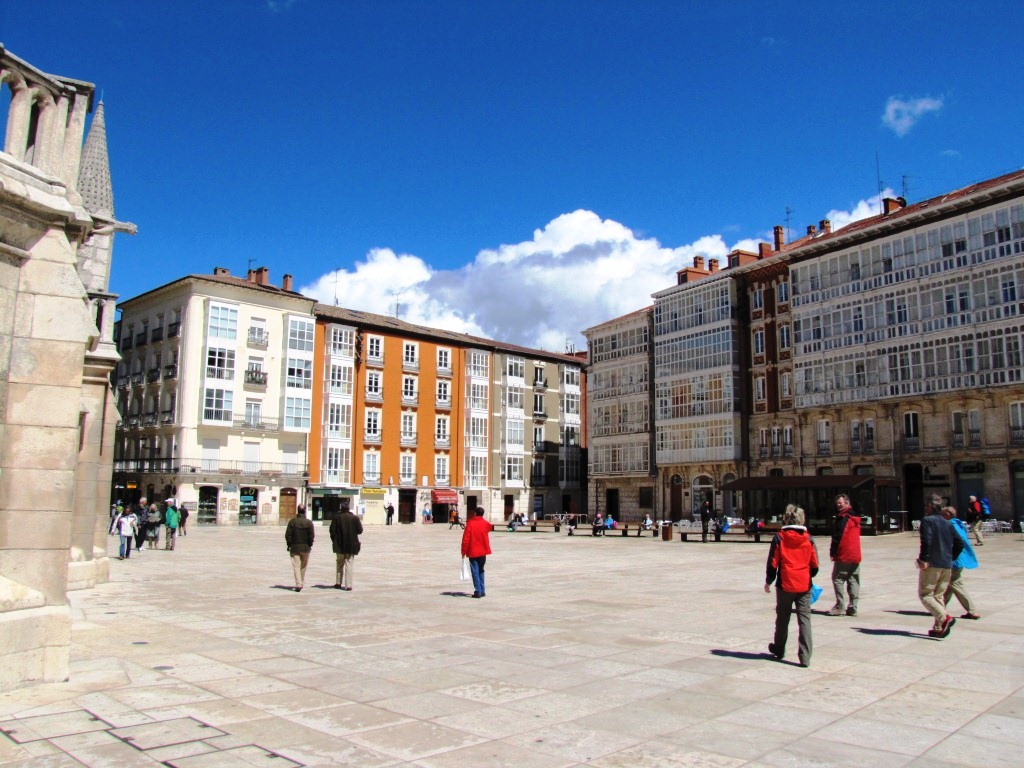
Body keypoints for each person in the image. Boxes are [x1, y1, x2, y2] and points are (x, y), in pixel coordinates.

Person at [764, 504, 819, 668]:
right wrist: (807, 574)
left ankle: (779, 648)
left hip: (785, 583)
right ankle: (805, 656)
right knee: (805, 620)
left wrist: (769, 580)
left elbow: (773, 562)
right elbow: (815, 565)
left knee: (782, 618)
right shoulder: (809, 538)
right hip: (804, 584)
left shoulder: (779, 538)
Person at [917, 494, 964, 638]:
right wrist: (951, 557)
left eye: (927, 505)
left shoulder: (927, 521)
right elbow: (959, 543)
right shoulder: (947, 522)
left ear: (932, 506)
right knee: (938, 596)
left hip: (933, 563)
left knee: (925, 595)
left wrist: (923, 559)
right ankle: (939, 628)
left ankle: (944, 618)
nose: (925, 508)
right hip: (946, 564)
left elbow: (926, 540)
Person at [942, 506, 980, 620]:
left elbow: (957, 543)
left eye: (942, 514)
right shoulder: (958, 524)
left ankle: (972, 611)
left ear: (948, 514)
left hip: (956, 559)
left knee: (955, 583)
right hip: (960, 557)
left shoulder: (951, 525)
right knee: (949, 585)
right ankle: (940, 608)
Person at [827, 493, 862, 617]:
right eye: (837, 503)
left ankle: (840, 606)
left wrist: (833, 552)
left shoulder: (843, 518)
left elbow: (837, 537)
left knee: (838, 579)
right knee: (853, 579)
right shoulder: (855, 516)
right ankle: (853, 607)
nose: (838, 505)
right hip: (856, 553)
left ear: (847, 503)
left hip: (844, 553)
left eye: (840, 503)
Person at [329, 504, 363, 591]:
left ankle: (338, 583)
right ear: (348, 508)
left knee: (339, 564)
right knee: (349, 564)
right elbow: (360, 531)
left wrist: (335, 540)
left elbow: (332, 531)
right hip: (351, 545)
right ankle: (348, 585)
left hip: (339, 545)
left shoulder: (336, 517)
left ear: (341, 508)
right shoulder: (354, 518)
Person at [462, 506, 493, 598]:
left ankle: (478, 591)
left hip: (473, 551)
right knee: (481, 570)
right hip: (483, 551)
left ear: (475, 513)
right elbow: (490, 527)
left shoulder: (470, 524)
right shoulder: (485, 523)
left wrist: (463, 552)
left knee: (475, 571)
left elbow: (466, 540)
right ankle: (482, 590)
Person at [284, 505, 315, 592]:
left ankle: (299, 584)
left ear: (298, 510)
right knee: (303, 566)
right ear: (305, 511)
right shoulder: (309, 523)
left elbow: (288, 535)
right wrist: (309, 545)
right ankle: (300, 583)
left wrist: (289, 544)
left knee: (296, 566)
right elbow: (311, 536)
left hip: (295, 547)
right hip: (305, 548)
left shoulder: (292, 522)